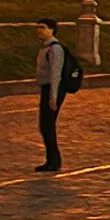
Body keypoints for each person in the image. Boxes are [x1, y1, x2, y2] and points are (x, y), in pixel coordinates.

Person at [34, 19, 69, 173]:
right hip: (46, 88)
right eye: (38, 28)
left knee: (47, 125)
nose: (39, 30)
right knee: (45, 125)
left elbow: (56, 74)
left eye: (43, 27)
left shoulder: (55, 49)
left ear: (52, 30)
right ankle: (51, 159)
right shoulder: (45, 49)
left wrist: (53, 96)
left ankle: (54, 161)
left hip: (53, 89)